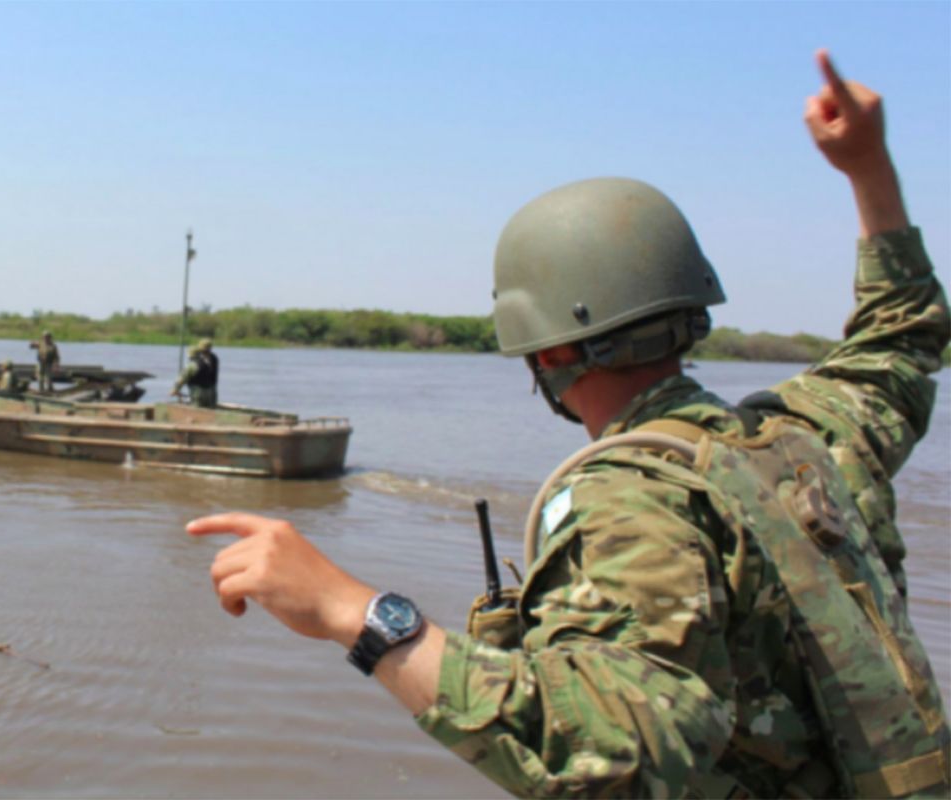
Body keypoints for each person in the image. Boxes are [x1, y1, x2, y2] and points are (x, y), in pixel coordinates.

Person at [185, 51, 950, 798]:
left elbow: (615, 757)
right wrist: (868, 168)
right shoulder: (810, 434)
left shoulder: (629, 499)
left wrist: (353, 612)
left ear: (544, 350)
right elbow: (902, 335)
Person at [171, 338, 219, 408]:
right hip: (211, 391)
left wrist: (175, 389)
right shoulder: (213, 359)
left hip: (198, 392)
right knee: (211, 410)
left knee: (198, 410)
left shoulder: (193, 364)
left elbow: (183, 377)